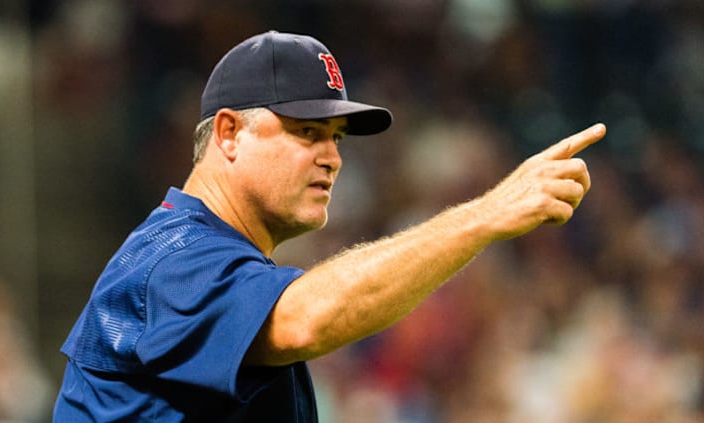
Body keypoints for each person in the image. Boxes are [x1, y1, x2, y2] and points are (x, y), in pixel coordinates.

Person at [53, 30, 606, 422]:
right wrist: (486, 214)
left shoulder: (216, 257)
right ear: (228, 134)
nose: (332, 157)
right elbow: (306, 320)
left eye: (336, 138)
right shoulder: (170, 257)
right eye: (306, 132)